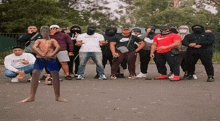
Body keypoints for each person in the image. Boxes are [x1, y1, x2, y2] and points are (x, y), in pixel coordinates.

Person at [20, 26, 67, 103]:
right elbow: (34, 48)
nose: (45, 33)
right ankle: (32, 96)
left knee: (55, 75)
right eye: (43, 31)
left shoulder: (52, 40)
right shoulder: (38, 40)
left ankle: (57, 96)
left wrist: (52, 54)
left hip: (51, 59)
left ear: (49, 32)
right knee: (35, 74)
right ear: (41, 33)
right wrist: (42, 54)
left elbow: (58, 47)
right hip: (40, 59)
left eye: (46, 31)